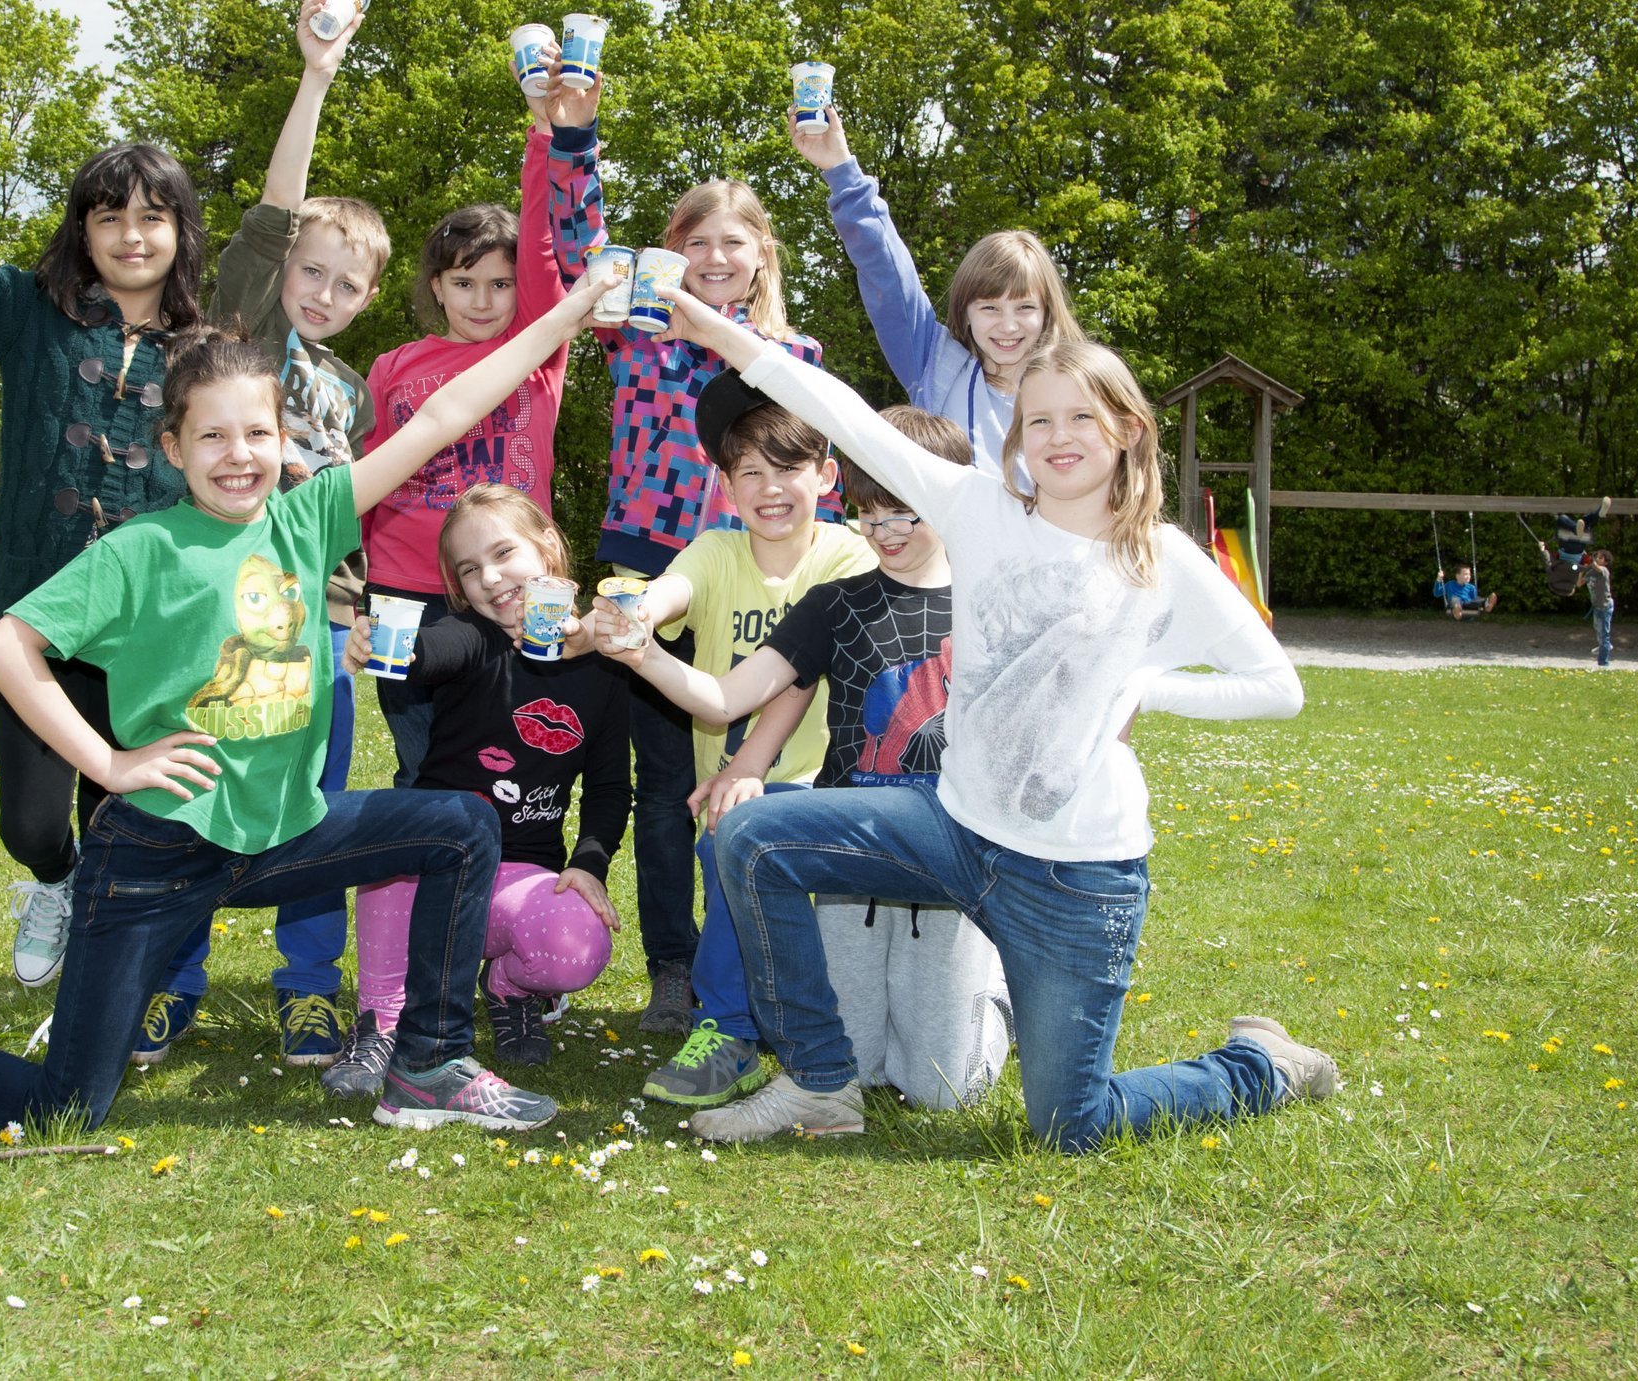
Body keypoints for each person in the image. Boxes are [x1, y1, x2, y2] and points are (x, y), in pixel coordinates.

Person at [0, 271, 618, 1137]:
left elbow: (443, 415)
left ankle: (425, 1063)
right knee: (65, 1106)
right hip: (156, 851)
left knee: (459, 827)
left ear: (285, 441)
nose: (239, 456)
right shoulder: (142, 549)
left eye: (257, 434)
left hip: (283, 834)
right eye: (213, 438)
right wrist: (110, 764)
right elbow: (5, 646)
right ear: (173, 450)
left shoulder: (307, 521)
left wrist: (568, 316)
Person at [648, 280, 1339, 1150]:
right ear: (1016, 439)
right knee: (752, 839)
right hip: (954, 825)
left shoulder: (1162, 556)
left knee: (1070, 1124)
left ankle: (1260, 1064)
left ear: (1126, 429)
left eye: (1082, 418)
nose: (1059, 438)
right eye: (1040, 420)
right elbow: (846, 413)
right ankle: (823, 1082)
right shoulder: (979, 511)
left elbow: (1277, 684)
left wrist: (1145, 689)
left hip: (1078, 874)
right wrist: (716, 330)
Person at [0, 33, 211, 991]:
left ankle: (115, 961)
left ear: (182, 232)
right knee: (33, 823)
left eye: (154, 217)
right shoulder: (29, 312)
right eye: (110, 216)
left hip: (148, 630)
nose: (132, 235)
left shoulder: (205, 344)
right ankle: (55, 885)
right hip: (37, 620)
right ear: (83, 229)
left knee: (130, 810)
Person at [595, 404, 1012, 1112]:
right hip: (848, 839)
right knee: (851, 1059)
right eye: (874, 516)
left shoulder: (986, 599)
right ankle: (736, 1026)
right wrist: (642, 648)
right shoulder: (834, 600)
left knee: (947, 1088)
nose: (889, 534)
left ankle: (1002, 985)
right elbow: (730, 694)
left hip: (945, 847)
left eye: (907, 513)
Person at [543, 64, 838, 1035]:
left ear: (761, 256)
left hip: (763, 574)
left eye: (732, 241)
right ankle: (675, 967)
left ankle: (757, 958)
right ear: (671, 254)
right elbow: (579, 247)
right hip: (647, 567)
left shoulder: (792, 363)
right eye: (695, 241)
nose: (713, 255)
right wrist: (574, 139)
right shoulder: (638, 333)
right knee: (668, 784)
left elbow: (828, 464)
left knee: (767, 767)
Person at [133, 0, 384, 1070]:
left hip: (318, 631)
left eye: (346, 280)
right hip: (214, 613)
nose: (322, 291)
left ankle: (308, 989)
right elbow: (278, 211)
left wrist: (365, 616)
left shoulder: (355, 393)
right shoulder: (252, 338)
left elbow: (351, 525)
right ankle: (169, 979)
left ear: (371, 294)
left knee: (312, 809)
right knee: (198, 786)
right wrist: (316, 75)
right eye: (309, 272)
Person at [584, 375, 872, 1107]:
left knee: (732, 841)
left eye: (788, 470)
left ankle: (730, 1029)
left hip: (815, 781)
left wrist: (749, 763)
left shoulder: (844, 555)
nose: (770, 489)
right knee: (727, 846)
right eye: (750, 472)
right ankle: (761, 1015)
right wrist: (633, 616)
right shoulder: (715, 549)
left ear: (827, 476)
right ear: (724, 483)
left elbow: (801, 675)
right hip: (725, 782)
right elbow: (669, 592)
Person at [328, 485, 628, 1091]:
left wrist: (590, 863)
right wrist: (387, 644)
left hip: (518, 880)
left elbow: (608, 784)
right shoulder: (472, 637)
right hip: (435, 872)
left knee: (575, 944)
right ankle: (382, 1023)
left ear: (547, 548)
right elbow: (430, 651)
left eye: (502, 554)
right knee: (391, 847)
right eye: (469, 570)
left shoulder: (602, 663)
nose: (490, 578)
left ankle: (509, 987)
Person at [358, 104, 573, 792]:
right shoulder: (392, 366)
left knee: (512, 757)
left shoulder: (536, 351)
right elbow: (362, 477)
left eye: (500, 283)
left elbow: (543, 246)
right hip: (406, 591)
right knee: (422, 761)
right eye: (462, 282)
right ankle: (424, 885)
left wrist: (542, 134)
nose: (482, 299)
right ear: (435, 287)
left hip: (510, 591)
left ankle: (508, 886)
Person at [796, 107, 1082, 473]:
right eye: (990, 308)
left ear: (1047, 312)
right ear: (964, 310)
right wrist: (841, 169)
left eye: (1024, 307)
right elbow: (886, 271)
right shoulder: (939, 366)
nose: (1008, 326)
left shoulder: (1077, 385)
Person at [1582, 548, 1616, 666]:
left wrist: (1588, 558)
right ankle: (1604, 645)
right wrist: (1580, 570)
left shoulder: (1604, 570)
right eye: (1597, 557)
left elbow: (1595, 566)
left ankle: (1603, 663)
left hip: (1605, 606)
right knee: (1597, 628)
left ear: (1605, 562)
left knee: (1604, 634)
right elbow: (1579, 583)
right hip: (1597, 606)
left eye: (1600, 558)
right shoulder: (1591, 572)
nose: (1597, 559)